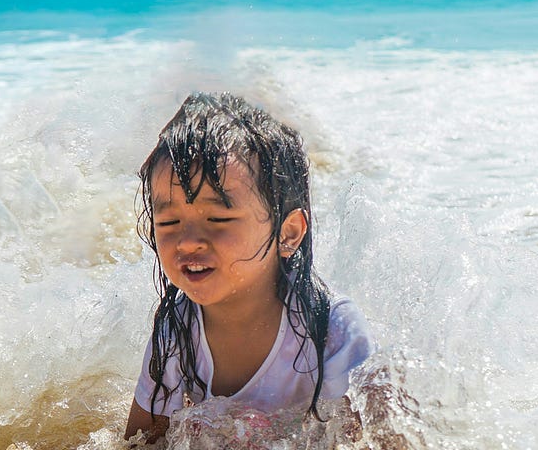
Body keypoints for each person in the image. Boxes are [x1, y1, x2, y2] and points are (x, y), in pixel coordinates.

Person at [123, 92, 376, 444]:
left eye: (218, 217)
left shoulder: (331, 329)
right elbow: (142, 442)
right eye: (168, 221)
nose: (187, 241)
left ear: (288, 234)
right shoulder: (176, 329)